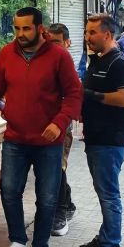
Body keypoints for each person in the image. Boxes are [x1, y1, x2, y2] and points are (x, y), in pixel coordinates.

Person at [0, 6, 82, 247]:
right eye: (17, 28)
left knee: (46, 198)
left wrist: (59, 123)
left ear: (39, 28)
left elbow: (74, 94)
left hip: (49, 143)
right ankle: (18, 242)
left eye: (26, 28)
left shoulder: (58, 56)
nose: (20, 34)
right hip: (15, 140)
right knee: (9, 191)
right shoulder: (6, 54)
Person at [77, 14, 124, 247]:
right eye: (87, 32)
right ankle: (105, 236)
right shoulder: (97, 60)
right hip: (96, 136)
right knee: (103, 191)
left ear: (107, 35)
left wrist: (88, 94)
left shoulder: (119, 63)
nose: (87, 37)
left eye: (92, 32)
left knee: (109, 193)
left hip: (110, 140)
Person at [47, 22, 80, 235]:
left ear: (67, 43)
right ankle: (67, 204)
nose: (53, 47)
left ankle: (59, 212)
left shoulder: (68, 67)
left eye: (57, 42)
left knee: (57, 166)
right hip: (40, 124)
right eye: (49, 42)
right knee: (51, 167)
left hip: (61, 125)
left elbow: (73, 97)